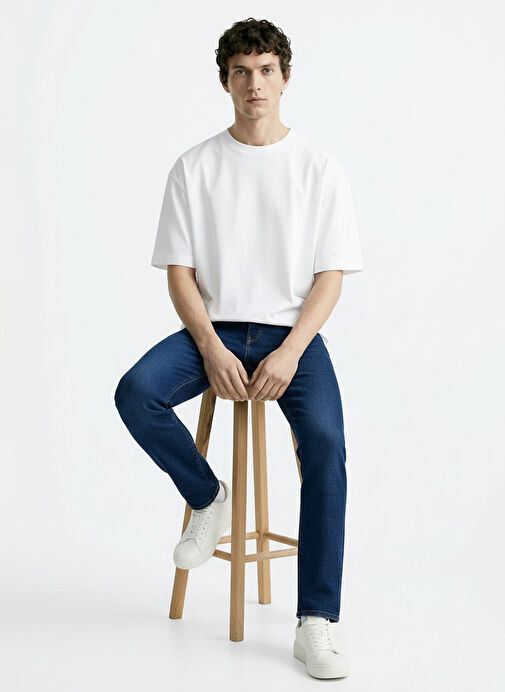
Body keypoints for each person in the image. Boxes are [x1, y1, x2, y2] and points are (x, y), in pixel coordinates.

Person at [114, 17, 364, 680]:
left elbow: (330, 277)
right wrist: (208, 345)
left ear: (285, 77)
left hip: (292, 337)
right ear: (225, 82)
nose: (255, 84)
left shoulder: (318, 169)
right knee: (136, 393)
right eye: (241, 73)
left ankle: (316, 621)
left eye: (266, 71)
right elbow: (180, 273)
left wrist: (290, 351)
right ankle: (207, 497)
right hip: (217, 330)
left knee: (327, 446)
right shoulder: (195, 167)